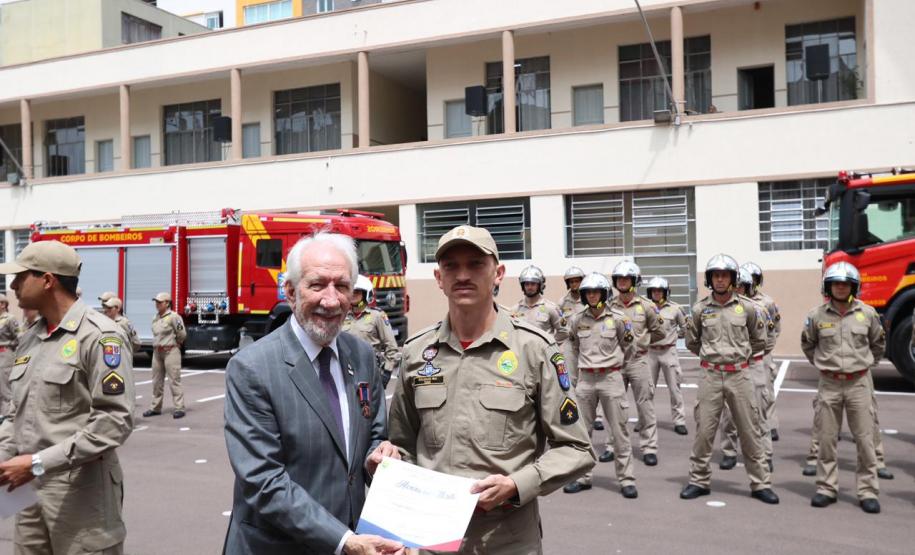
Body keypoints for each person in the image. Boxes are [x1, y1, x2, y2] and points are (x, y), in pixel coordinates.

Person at [388, 225, 594, 554]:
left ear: (498, 273)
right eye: (451, 266)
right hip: (431, 538)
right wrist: (389, 460)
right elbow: (403, 444)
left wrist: (517, 484)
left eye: (475, 264)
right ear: (438, 278)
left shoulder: (534, 349)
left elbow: (577, 448)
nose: (463, 275)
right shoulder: (416, 353)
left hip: (505, 540)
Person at [223, 232, 402, 555]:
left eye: (342, 286)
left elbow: (374, 436)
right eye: (317, 285)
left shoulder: (361, 355)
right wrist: (344, 540)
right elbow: (263, 481)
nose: (331, 300)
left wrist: (379, 459)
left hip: (356, 539)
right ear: (290, 292)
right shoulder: (251, 368)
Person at [0, 240, 135, 553]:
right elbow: (17, 414)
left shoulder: (100, 336)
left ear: (48, 281)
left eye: (22, 276)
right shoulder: (32, 337)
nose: (13, 284)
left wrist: (36, 463)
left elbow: (113, 422)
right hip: (29, 492)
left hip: (80, 493)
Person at [680, 254, 779, 505]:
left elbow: (760, 339)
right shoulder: (700, 309)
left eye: (725, 275)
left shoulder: (747, 307)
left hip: (740, 375)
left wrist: (740, 357)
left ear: (733, 279)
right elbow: (692, 341)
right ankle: (698, 480)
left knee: (750, 429)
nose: (720, 279)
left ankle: (760, 483)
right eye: (716, 275)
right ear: (710, 279)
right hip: (711, 375)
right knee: (705, 430)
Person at [801, 262, 885, 514]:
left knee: (865, 439)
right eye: (836, 283)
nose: (840, 287)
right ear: (828, 286)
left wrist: (863, 366)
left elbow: (878, 344)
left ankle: (868, 491)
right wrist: (825, 365)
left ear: (853, 287)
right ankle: (827, 487)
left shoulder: (867, 314)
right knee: (827, 438)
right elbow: (808, 344)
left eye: (845, 283)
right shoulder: (816, 315)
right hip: (829, 383)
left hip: (859, 382)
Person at [562, 272, 638, 499]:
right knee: (582, 432)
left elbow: (630, 348)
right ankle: (582, 477)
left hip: (611, 379)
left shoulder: (618, 319)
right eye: (588, 292)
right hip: (586, 380)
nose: (592, 295)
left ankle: (626, 479)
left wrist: (615, 367)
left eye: (596, 291)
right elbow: (573, 349)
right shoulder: (577, 320)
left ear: (604, 293)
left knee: (619, 431)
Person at [718, 268, 775, 472]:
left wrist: (752, 354)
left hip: (753, 365)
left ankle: (764, 454)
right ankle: (729, 452)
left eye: (742, 286)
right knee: (729, 413)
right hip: (732, 367)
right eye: (736, 285)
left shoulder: (757, 308)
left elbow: (769, 337)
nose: (739, 289)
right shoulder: (724, 308)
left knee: (759, 411)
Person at [609, 261, 663, 466]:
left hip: (638, 361)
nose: (622, 282)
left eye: (627, 279)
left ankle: (649, 447)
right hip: (615, 363)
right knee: (615, 407)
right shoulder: (609, 306)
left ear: (635, 281)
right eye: (619, 279)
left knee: (645, 405)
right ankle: (613, 446)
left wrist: (643, 343)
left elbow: (659, 331)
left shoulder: (647, 307)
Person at [558, 267, 604, 432]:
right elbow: (560, 325)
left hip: (589, 342)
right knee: (572, 381)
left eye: (577, 280)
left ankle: (597, 416)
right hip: (571, 344)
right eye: (571, 281)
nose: (574, 284)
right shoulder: (563, 302)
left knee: (594, 379)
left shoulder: (589, 298)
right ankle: (576, 412)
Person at [741, 262, 782, 441]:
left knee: (766, 392)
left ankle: (771, 425)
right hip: (741, 356)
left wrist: (765, 350)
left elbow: (775, 328)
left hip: (762, 355)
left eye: (754, 279)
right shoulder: (736, 301)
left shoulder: (767, 302)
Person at [644, 277, 689, 436]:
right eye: (653, 291)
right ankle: (646, 421)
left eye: (659, 291)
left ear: (665, 292)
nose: (656, 293)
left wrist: (673, 337)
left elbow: (685, 328)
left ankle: (679, 421)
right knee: (647, 389)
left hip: (668, 352)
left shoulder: (675, 309)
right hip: (650, 353)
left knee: (675, 388)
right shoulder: (645, 308)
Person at [342, 275, 401, 388]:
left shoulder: (377, 316)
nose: (353, 295)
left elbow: (391, 347)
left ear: (366, 294)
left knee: (371, 405)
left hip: (371, 372)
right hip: (347, 372)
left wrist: (387, 372)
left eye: (358, 292)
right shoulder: (342, 316)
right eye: (352, 292)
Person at [145, 292, 187, 419]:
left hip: (170, 351)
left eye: (159, 302)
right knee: (156, 381)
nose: (157, 305)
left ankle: (179, 407)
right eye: (156, 302)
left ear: (167, 303)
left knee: (174, 380)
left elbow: (182, 333)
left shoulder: (174, 317)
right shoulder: (156, 317)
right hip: (157, 352)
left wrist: (177, 343)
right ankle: (155, 407)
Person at [512, 265, 568, 343]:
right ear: (523, 286)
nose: (529, 287)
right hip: (523, 353)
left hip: (543, 354)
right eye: (527, 284)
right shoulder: (515, 310)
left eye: (533, 284)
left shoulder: (551, 308)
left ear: (540, 285)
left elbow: (564, 331)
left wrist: (550, 345)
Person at [0, 293, 21, 417]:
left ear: (3, 304)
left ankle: (8, 417)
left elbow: (20, 336)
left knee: (5, 389)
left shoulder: (11, 319)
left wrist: (7, 344)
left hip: (5, 354)